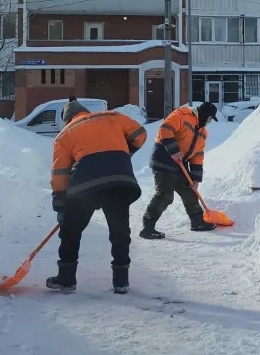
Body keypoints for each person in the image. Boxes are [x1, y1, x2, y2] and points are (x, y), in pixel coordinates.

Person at [47, 97, 148, 294]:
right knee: (119, 231)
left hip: (86, 186)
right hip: (119, 180)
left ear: (67, 119)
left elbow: (60, 174)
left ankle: (66, 279)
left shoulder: (64, 135)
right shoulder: (112, 117)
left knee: (71, 231)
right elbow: (140, 134)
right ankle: (121, 281)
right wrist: (123, 152)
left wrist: (60, 204)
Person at [141, 102, 219, 239]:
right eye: (210, 118)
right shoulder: (182, 114)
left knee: (189, 191)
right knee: (165, 195)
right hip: (163, 159)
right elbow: (165, 129)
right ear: (205, 115)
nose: (210, 121)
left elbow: (197, 156)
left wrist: (195, 178)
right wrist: (174, 150)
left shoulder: (202, 132)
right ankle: (147, 227)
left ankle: (197, 222)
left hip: (179, 163)